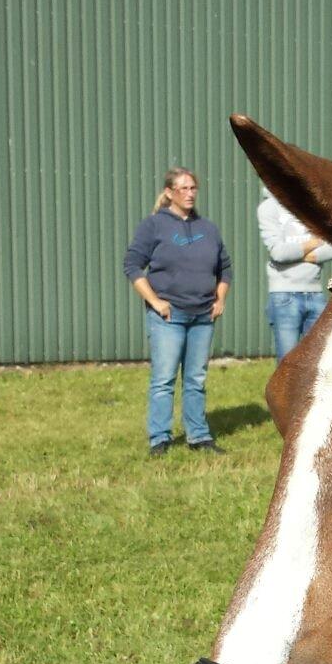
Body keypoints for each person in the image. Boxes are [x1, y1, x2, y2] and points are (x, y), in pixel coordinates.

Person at [123, 167, 232, 456]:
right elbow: (133, 266)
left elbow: (225, 269)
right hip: (169, 317)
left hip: (202, 316)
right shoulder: (154, 225)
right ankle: (160, 438)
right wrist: (156, 302)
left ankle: (199, 436)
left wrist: (220, 299)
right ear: (169, 192)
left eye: (193, 188)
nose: (190, 193)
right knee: (164, 379)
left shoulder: (208, 228)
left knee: (196, 379)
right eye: (183, 188)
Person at [257, 187, 332, 363]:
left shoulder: (310, 207)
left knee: (319, 360)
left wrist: (302, 254)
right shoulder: (269, 208)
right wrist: (315, 242)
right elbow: (279, 253)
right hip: (284, 296)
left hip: (315, 294)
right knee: (287, 362)